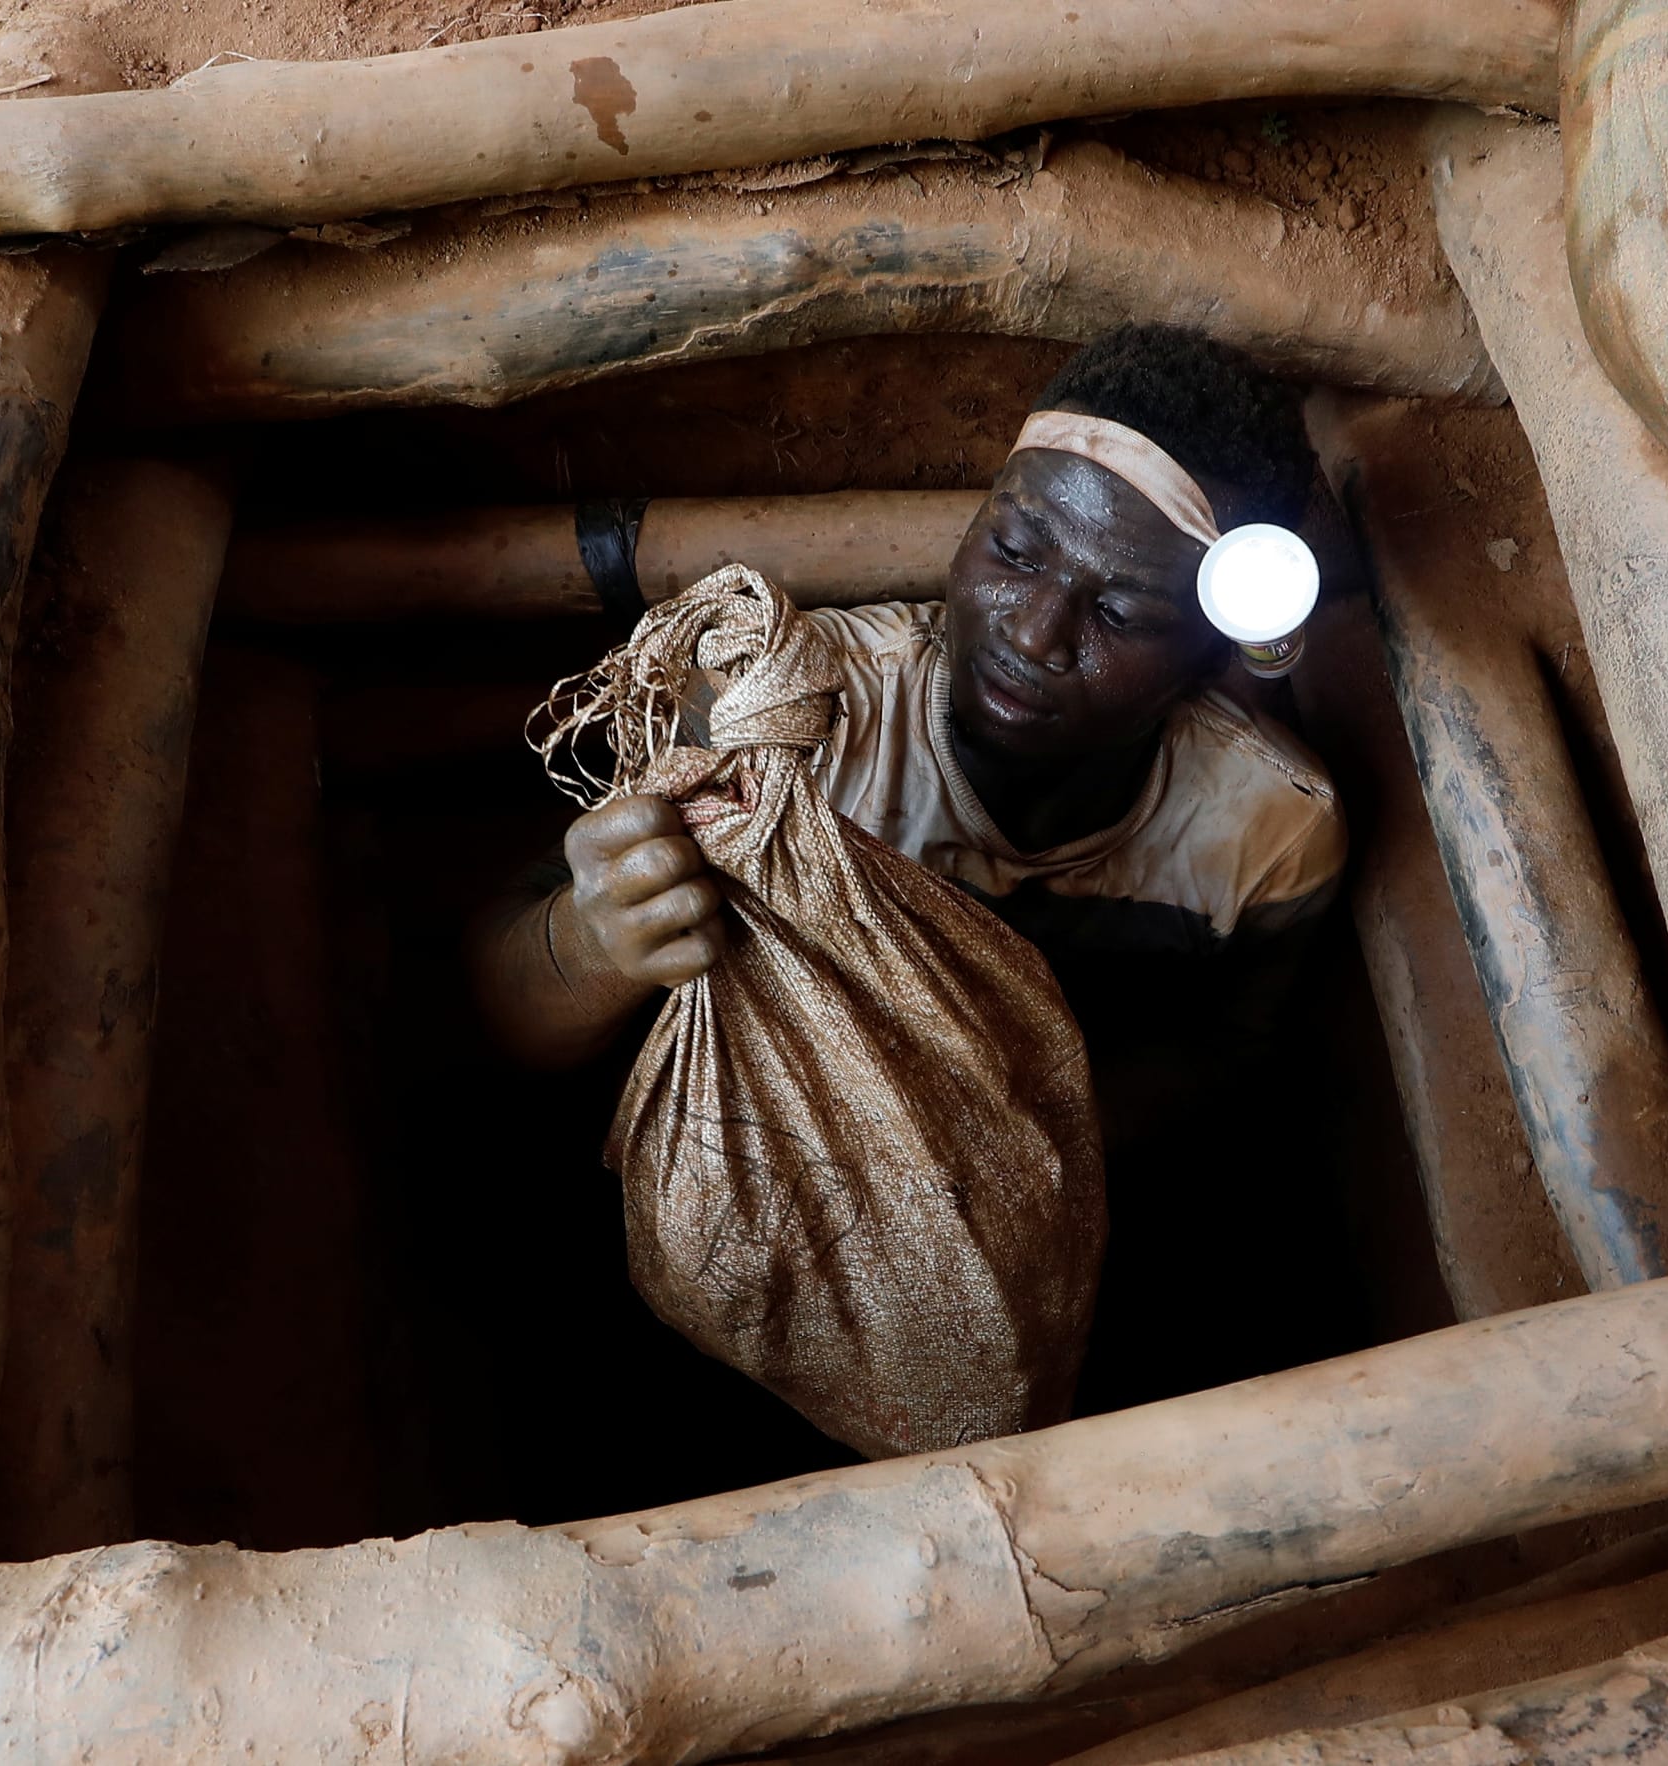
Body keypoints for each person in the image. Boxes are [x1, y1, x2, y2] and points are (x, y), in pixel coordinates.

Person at [472, 323, 1353, 1413]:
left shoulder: (1262, 830)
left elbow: (1231, 1047)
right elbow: (488, 1025)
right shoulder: (795, 732)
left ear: (1217, 646)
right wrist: (589, 938)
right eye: (1016, 550)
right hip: (746, 1233)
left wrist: (997, 1146)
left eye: (1121, 611)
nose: (1035, 631)